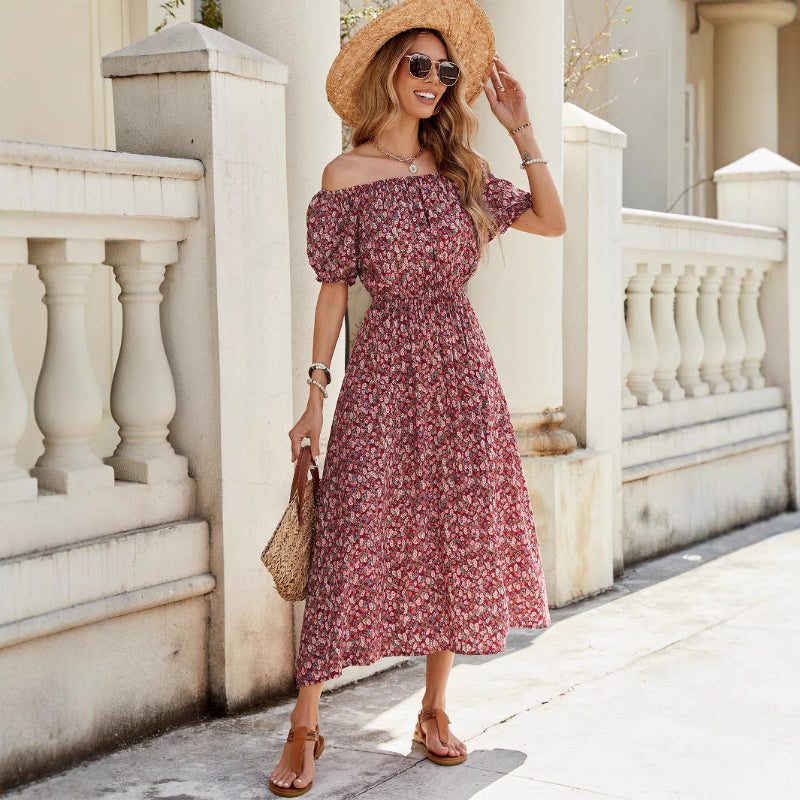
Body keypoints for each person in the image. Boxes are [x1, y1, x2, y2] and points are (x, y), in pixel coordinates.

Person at [270, 0, 566, 795]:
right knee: (350, 533)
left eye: (446, 70)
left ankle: (434, 711)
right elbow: (334, 290)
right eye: (419, 66)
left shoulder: (463, 173)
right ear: (389, 73)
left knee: (451, 531)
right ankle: (306, 724)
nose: (434, 81)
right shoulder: (347, 175)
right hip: (382, 368)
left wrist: (521, 126)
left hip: (462, 373)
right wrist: (315, 395)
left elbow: (550, 219)